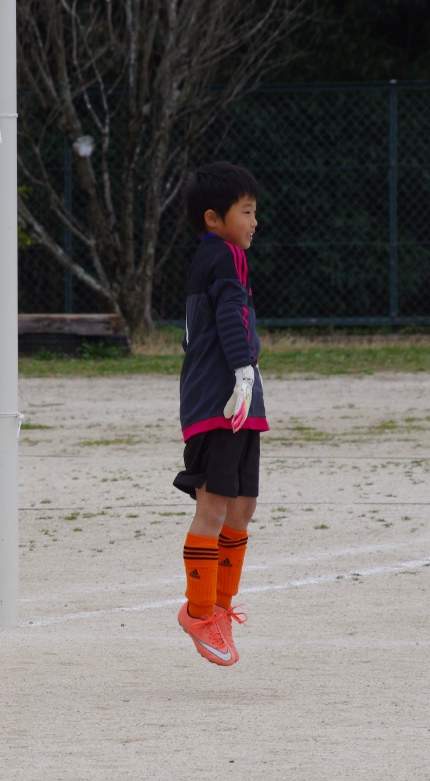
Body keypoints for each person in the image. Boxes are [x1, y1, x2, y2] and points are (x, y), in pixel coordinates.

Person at [172, 162, 268, 666]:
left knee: (242, 507)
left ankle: (220, 610)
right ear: (214, 218)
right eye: (246, 211)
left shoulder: (215, 257)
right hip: (221, 397)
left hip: (236, 394)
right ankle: (199, 612)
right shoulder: (225, 255)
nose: (254, 221)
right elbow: (230, 315)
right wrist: (243, 372)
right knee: (213, 507)